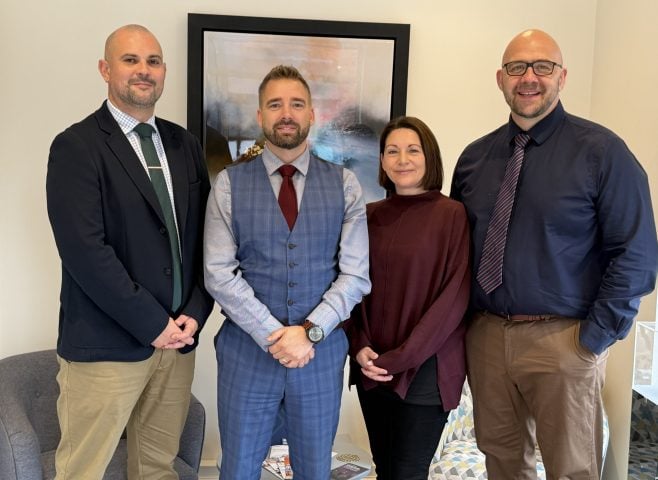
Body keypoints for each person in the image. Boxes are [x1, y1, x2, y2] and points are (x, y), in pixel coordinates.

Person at [451, 29, 658, 479]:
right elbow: (456, 254)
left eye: (542, 66)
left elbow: (636, 253)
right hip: (486, 338)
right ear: (500, 79)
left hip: (565, 339)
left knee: (572, 470)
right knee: (502, 465)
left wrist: (593, 340)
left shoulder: (603, 153)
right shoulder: (474, 159)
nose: (529, 77)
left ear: (562, 77)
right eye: (517, 67)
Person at [46, 24, 213, 479]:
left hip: (178, 342)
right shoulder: (76, 146)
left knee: (157, 468)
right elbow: (85, 252)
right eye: (131, 60)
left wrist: (195, 311)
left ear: (164, 72)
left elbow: (204, 238)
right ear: (105, 69)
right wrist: (152, 323)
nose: (144, 70)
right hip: (107, 344)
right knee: (82, 470)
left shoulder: (184, 144)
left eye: (153, 61)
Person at [203, 65, 371, 480]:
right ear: (260, 116)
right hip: (246, 354)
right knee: (238, 470)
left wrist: (309, 332)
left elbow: (355, 275)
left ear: (311, 114)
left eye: (296, 104)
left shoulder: (346, 184)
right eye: (275, 104)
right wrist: (274, 336)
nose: (286, 114)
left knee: (314, 470)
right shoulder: (228, 184)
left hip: (320, 356)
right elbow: (218, 272)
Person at [347, 116, 470, 480]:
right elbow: (351, 287)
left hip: (426, 370)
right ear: (382, 161)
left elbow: (453, 299)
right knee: (384, 468)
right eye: (393, 151)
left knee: (408, 472)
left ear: (429, 156)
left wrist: (401, 357)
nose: (402, 160)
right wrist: (359, 345)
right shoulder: (367, 216)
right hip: (373, 365)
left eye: (413, 150)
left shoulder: (452, 215)